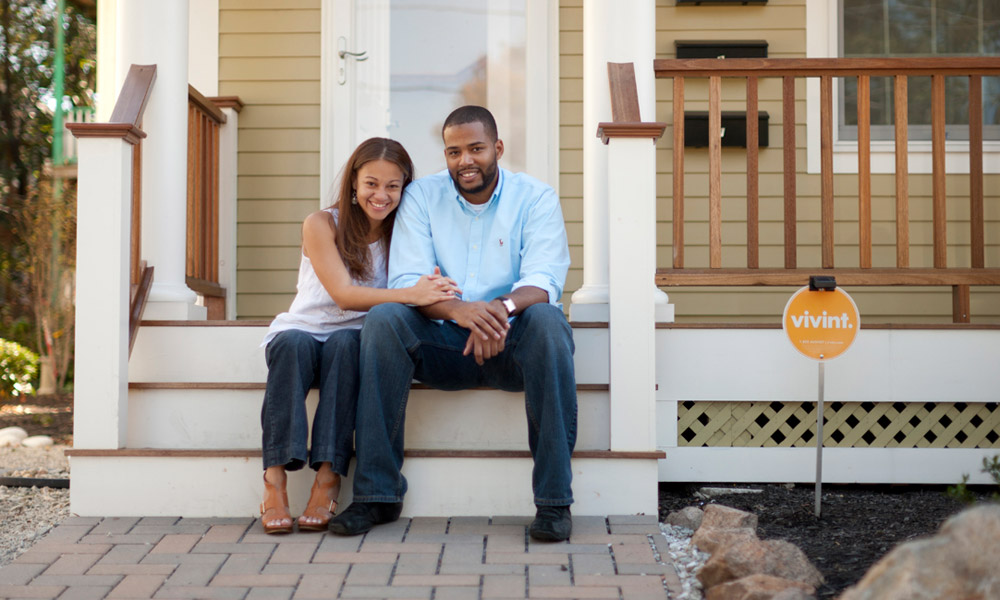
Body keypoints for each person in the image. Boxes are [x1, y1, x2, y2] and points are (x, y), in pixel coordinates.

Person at [329, 106, 577, 541]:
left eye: (476, 149)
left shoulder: (536, 197)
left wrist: (497, 311)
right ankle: (376, 496)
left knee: (548, 322)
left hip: (512, 344)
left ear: (497, 148)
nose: (465, 161)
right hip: (443, 340)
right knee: (386, 318)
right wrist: (461, 311)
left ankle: (554, 503)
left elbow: (545, 280)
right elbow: (408, 279)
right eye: (454, 151)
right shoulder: (422, 196)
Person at [259, 137, 460, 534]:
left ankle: (328, 477)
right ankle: (274, 480)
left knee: (347, 345)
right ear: (354, 182)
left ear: (405, 188)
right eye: (371, 183)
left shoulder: (405, 235)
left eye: (392, 186)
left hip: (351, 338)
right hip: (304, 329)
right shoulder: (321, 224)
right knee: (291, 344)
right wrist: (410, 294)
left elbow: (427, 283)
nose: (381, 195)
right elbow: (343, 295)